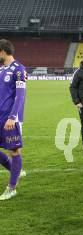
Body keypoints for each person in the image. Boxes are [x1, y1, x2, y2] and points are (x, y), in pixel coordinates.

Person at [0, 39, 26, 200]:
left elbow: (20, 96)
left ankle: (12, 187)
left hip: (11, 119)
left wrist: (12, 117)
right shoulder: (2, 70)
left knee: (14, 151)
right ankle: (16, 171)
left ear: (3, 51)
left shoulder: (19, 69)